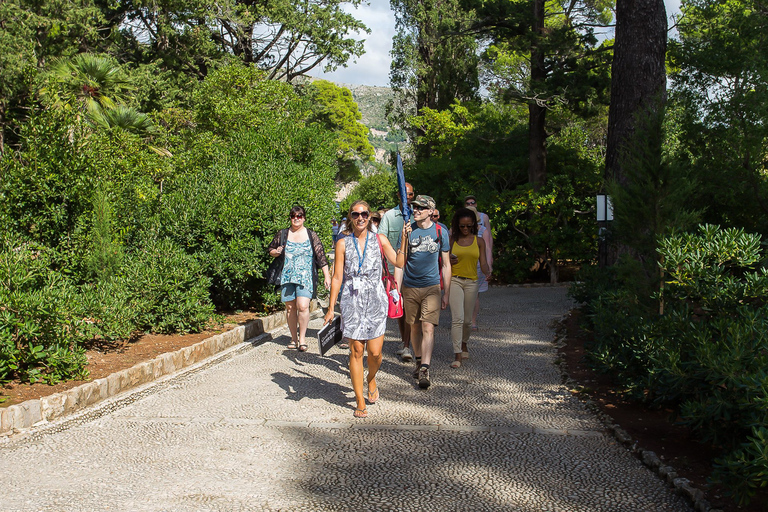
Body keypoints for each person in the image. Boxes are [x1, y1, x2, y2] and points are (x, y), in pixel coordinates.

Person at [324, 201, 409, 418]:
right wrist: (331, 307)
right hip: (352, 301)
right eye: (355, 214)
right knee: (356, 350)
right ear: (350, 217)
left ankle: (371, 378)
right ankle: (360, 400)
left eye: (364, 214)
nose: (360, 217)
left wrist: (405, 239)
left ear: (369, 216)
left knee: (376, 352)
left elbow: (399, 262)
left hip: (375, 300)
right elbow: (337, 277)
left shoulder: (379, 239)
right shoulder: (342, 243)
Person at [401, 195, 451, 389]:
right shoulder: (408, 231)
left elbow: (446, 264)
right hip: (410, 286)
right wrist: (397, 290)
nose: (416, 211)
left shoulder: (440, 231)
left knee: (428, 327)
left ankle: (424, 368)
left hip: (431, 286)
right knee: (414, 326)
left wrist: (446, 292)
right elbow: (400, 262)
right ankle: (418, 359)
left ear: (431, 211)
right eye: (414, 208)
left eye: (421, 208)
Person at [268, 205, 331, 352]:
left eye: (299, 216)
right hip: (287, 276)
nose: (296, 219)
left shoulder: (311, 235)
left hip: (305, 277)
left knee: (303, 306)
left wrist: (326, 276)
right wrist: (276, 252)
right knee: (290, 308)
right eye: (293, 216)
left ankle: (302, 338)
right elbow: (270, 249)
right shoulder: (283, 234)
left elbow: (321, 256)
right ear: (290, 217)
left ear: (304, 218)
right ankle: (293, 338)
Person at [448, 208, 491, 368]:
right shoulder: (452, 240)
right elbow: (444, 260)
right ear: (457, 225)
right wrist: (448, 260)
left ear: (473, 225)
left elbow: (484, 263)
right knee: (457, 319)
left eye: (468, 226)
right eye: (462, 226)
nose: (465, 229)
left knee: (467, 321)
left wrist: (488, 272)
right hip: (455, 281)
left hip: (472, 282)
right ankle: (457, 354)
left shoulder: (479, 241)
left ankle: (464, 342)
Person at [378, 182, 415, 362]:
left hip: (415, 270)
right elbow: (381, 240)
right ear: (399, 196)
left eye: (409, 194)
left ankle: (408, 345)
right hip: (395, 270)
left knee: (410, 309)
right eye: (403, 194)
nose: (407, 197)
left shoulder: (418, 215)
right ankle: (405, 342)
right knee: (400, 308)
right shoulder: (389, 216)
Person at [465, 205, 493, 329]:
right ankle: (464, 320)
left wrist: (488, 266)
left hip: (477, 266)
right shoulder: (457, 231)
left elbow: (487, 249)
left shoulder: (482, 231)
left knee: (475, 295)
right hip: (461, 266)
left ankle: (473, 321)